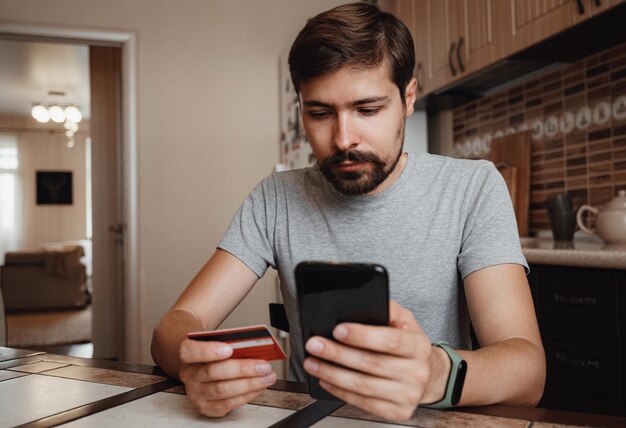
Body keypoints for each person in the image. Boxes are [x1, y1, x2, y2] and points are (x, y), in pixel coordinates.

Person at [151, 2, 545, 421]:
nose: (342, 139)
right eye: (319, 113)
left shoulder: (472, 188)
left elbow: (527, 372)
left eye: (368, 110)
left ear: (408, 98)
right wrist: (193, 363)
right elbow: (174, 325)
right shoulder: (276, 198)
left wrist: (434, 375)